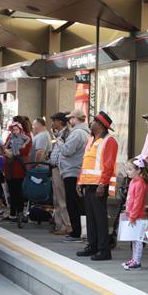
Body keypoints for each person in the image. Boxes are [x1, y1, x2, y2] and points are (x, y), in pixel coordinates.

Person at [75, 111, 118, 261]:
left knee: (99, 218)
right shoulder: (91, 140)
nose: (90, 123)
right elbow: (85, 163)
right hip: (88, 184)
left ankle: (104, 250)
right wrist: (80, 182)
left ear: (100, 125)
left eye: (93, 121)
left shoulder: (109, 141)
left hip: (99, 185)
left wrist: (102, 184)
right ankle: (92, 246)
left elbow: (108, 165)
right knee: (91, 218)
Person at [61, 109, 90, 242]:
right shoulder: (86, 133)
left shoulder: (77, 133)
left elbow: (67, 151)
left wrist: (61, 143)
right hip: (79, 171)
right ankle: (81, 231)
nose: (69, 121)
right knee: (79, 203)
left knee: (72, 203)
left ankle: (76, 232)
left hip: (72, 171)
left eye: (70, 118)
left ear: (75, 119)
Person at [122, 156, 148, 270]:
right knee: (134, 239)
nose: (127, 172)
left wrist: (132, 216)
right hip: (133, 215)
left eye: (130, 169)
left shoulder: (140, 183)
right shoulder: (134, 181)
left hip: (138, 216)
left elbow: (138, 202)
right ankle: (134, 259)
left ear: (138, 170)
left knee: (138, 240)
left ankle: (137, 261)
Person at [3, 118, 32, 221]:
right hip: (10, 168)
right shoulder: (11, 136)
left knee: (18, 191)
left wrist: (12, 152)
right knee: (11, 190)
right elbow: (4, 147)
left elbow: (25, 151)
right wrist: (7, 151)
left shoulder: (26, 137)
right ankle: (12, 213)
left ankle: (19, 213)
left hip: (19, 167)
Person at [48, 112, 71, 236]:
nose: (53, 123)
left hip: (60, 169)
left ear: (60, 121)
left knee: (61, 199)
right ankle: (59, 224)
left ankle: (66, 225)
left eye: (55, 120)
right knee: (56, 199)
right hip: (55, 168)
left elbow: (65, 150)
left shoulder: (67, 134)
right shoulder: (59, 134)